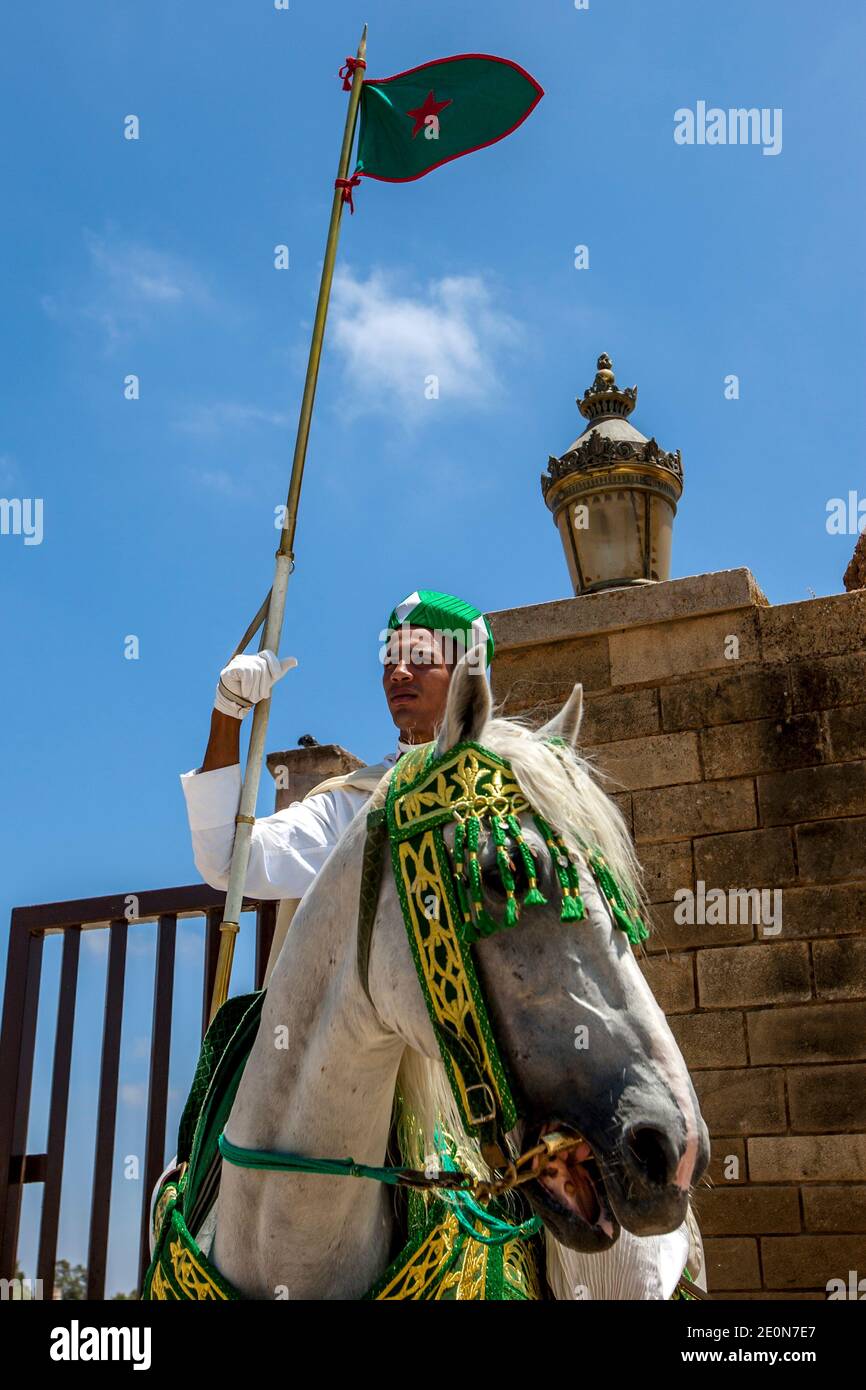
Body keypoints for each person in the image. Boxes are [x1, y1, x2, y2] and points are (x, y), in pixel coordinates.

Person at [180, 589, 494, 979]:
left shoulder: (508, 791)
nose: (398, 672)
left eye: (421, 658)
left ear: (467, 675)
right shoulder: (354, 805)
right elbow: (226, 860)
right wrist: (228, 711)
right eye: (390, 660)